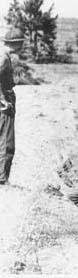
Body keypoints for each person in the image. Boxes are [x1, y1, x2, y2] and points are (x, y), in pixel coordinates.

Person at [0, 28, 25, 185]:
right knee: (7, 142)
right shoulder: (4, 58)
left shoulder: (4, 55)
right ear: (17, 44)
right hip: (4, 105)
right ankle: (2, 178)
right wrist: (2, 99)